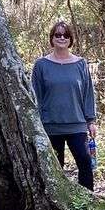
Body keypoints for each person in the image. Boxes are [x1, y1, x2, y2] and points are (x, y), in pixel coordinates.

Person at [31, 21, 97, 191]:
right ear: (52, 39)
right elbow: (35, 96)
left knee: (84, 162)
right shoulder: (41, 65)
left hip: (77, 124)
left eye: (65, 35)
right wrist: (36, 125)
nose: (62, 38)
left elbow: (88, 93)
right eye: (57, 35)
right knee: (55, 169)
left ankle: (88, 202)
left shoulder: (81, 64)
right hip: (51, 126)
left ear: (70, 39)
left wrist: (91, 120)